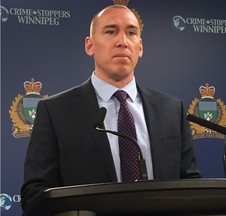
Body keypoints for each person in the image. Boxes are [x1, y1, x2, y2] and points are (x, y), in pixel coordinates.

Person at [21, 4, 201, 214]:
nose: (122, 42)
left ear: (140, 47)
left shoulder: (172, 110)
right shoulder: (55, 111)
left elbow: (191, 185)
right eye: (110, 31)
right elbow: (35, 194)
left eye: (131, 33)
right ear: (90, 45)